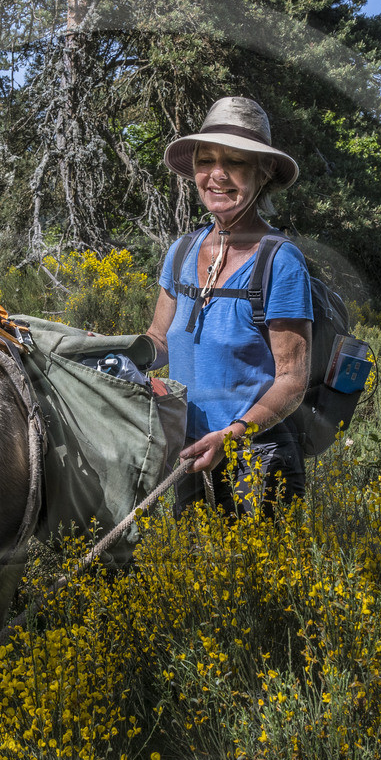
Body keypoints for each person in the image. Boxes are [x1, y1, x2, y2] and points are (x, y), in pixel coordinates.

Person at [145, 97, 312, 517]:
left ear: (263, 172)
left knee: (255, 581)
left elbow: (292, 380)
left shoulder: (280, 261)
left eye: (235, 162)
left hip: (258, 460)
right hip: (192, 452)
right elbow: (159, 341)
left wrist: (231, 437)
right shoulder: (182, 251)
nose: (216, 175)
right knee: (194, 577)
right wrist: (110, 351)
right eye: (207, 160)